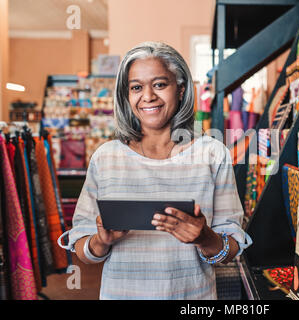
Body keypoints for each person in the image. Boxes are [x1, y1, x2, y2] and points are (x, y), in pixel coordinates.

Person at [58, 41, 252, 300]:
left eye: (160, 84)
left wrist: (205, 238)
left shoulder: (213, 154)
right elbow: (81, 247)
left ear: (181, 89)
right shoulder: (106, 158)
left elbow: (232, 247)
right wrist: (101, 241)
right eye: (136, 87)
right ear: (126, 95)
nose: (147, 96)